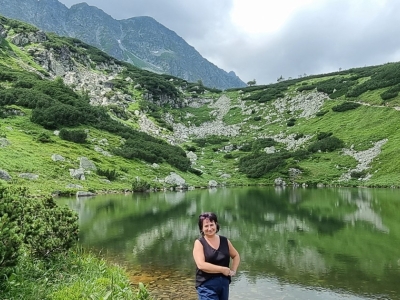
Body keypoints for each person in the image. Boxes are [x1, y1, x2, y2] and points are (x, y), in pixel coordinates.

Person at [193, 212, 240, 300]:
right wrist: (223, 269)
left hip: (224, 284)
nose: (210, 228)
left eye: (212, 224)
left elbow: (236, 255)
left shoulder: (225, 241)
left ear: (216, 225)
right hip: (206, 285)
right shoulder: (199, 243)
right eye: (206, 226)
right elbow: (201, 265)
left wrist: (233, 270)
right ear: (201, 228)